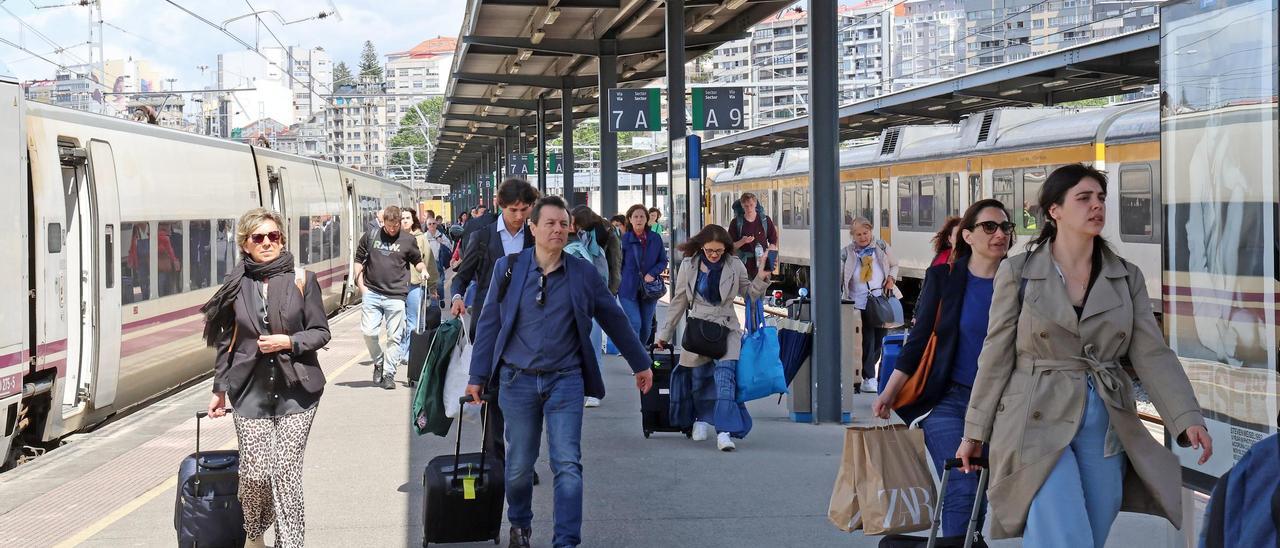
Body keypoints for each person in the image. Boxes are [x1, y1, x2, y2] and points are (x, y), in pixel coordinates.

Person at [955, 164, 1213, 546]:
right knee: (1063, 533)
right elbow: (995, 354)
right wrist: (974, 431)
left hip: (1105, 417)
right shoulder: (1019, 272)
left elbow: (1152, 354)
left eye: (1101, 198)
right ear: (1054, 210)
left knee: (1091, 529)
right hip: (1034, 415)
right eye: (1084, 198)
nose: (1097, 206)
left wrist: (1187, 416)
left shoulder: (1126, 277)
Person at [465, 196, 655, 548]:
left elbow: (613, 318)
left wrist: (640, 362)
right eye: (549, 223)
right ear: (532, 228)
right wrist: (477, 376)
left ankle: (566, 541)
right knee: (520, 465)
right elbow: (489, 324)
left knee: (567, 462)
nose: (557, 228)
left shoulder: (582, 273)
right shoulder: (508, 268)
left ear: (570, 229)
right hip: (516, 381)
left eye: (563, 223)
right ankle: (519, 524)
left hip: (565, 380)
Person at [872, 200, 1013, 539]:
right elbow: (919, 340)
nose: (1000, 234)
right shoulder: (944, 278)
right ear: (967, 235)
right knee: (963, 484)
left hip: (1002, 405)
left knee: (979, 494)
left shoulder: (1021, 282)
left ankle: (965, 540)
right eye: (989, 227)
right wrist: (889, 393)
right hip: (947, 399)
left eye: (1006, 227)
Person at [202, 208, 330, 548]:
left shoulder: (303, 279)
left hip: (297, 391)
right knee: (255, 474)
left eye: (273, 236)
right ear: (246, 244)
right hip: (249, 391)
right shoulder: (235, 285)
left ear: (282, 240)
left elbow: (320, 332)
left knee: (286, 473)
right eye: (259, 238)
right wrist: (219, 389)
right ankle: (255, 533)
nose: (267, 243)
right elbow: (226, 341)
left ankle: (290, 544)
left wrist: (290, 342)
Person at [451, 178, 539, 475]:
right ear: (501, 206)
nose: (520, 216)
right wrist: (457, 297)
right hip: (491, 326)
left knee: (526, 397)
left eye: (525, 210)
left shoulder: (534, 236)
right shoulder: (483, 236)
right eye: (514, 209)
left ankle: (523, 460)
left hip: (528, 327)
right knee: (492, 395)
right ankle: (496, 459)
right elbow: (461, 276)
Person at [655, 224, 769, 452]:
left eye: (719, 251)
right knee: (699, 380)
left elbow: (749, 294)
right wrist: (664, 334)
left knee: (725, 381)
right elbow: (679, 301)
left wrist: (762, 278)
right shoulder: (689, 265)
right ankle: (700, 419)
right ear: (701, 247)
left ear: (726, 248)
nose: (714, 255)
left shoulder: (734, 265)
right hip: (698, 327)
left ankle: (724, 432)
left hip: (727, 328)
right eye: (709, 251)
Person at [353, 206, 430, 390]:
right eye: (389, 226)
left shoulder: (408, 239)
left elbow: (416, 260)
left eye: (396, 225)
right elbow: (358, 259)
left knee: (395, 337)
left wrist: (423, 269)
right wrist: (361, 286)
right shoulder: (371, 236)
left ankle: (389, 373)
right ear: (383, 223)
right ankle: (378, 362)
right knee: (369, 332)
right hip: (372, 292)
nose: (393, 229)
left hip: (396, 295)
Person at [564, 205, 621, 408]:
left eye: (575, 222)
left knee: (594, 340)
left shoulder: (605, 233)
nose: (571, 226)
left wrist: (611, 291)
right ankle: (576, 386)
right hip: (570, 295)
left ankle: (594, 390)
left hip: (598, 292)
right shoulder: (565, 235)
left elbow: (615, 262)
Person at [839, 217, 899, 393]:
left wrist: (891, 279)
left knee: (879, 339)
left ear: (871, 231)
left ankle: (866, 374)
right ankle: (869, 377)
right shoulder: (847, 253)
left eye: (865, 233)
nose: (863, 237)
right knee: (867, 340)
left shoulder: (881, 247)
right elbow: (841, 277)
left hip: (880, 300)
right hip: (859, 303)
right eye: (858, 234)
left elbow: (894, 265)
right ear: (853, 236)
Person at [619, 203, 669, 348]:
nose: (639, 219)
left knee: (646, 325)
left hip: (650, 288)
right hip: (628, 288)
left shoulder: (655, 238)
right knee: (635, 322)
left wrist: (652, 273)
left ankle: (639, 354)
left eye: (642, 216)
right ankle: (637, 360)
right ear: (630, 219)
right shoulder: (624, 239)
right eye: (635, 216)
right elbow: (618, 264)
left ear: (647, 219)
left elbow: (663, 261)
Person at [398, 208, 439, 367]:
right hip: (397, 286)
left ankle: (408, 352)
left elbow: (429, 261)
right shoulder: (395, 238)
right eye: (402, 218)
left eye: (408, 218)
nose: (405, 221)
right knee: (400, 320)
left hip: (415, 285)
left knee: (413, 321)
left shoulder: (420, 238)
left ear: (413, 219)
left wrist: (433, 286)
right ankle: (401, 349)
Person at [728, 192, 778, 279]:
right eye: (746, 206)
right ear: (742, 206)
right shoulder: (736, 223)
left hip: (762, 265)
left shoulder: (765, 220)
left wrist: (767, 256)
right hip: (743, 266)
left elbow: (773, 243)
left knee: (760, 290)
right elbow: (730, 247)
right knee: (745, 292)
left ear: (755, 204)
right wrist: (743, 241)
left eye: (751, 205)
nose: (749, 208)